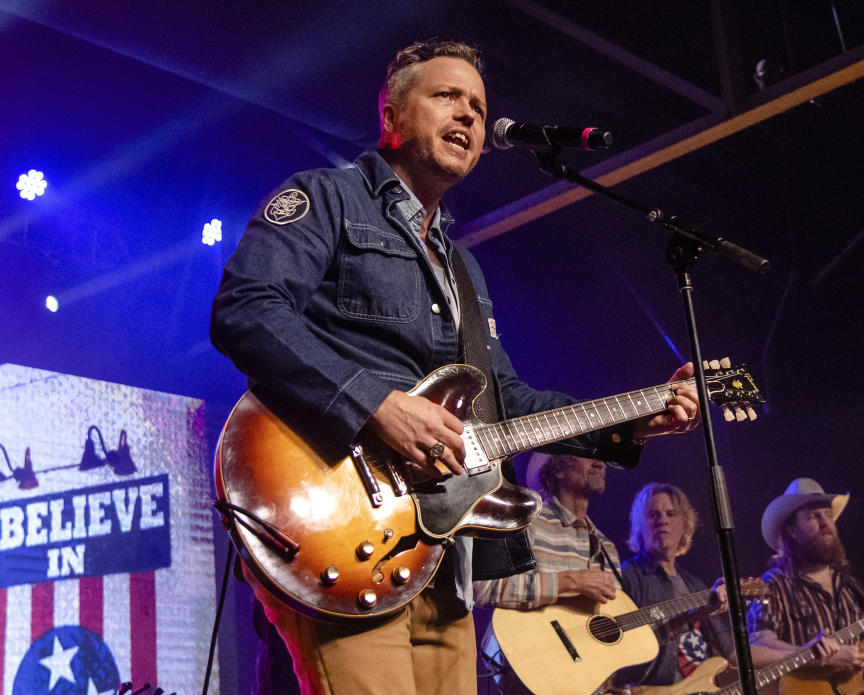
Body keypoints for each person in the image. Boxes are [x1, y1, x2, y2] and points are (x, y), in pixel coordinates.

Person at [210, 39, 701, 695]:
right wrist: (375, 405)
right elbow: (245, 309)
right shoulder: (326, 199)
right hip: (340, 530)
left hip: (443, 556)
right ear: (391, 114)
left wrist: (632, 422)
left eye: (478, 104)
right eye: (447, 96)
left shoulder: (462, 267)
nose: (469, 116)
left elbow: (506, 402)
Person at [473, 453, 622, 693]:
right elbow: (482, 588)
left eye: (601, 456)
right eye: (587, 455)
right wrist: (566, 582)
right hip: (528, 672)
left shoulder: (607, 548)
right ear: (558, 469)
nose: (600, 462)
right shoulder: (527, 524)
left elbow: (612, 624)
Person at [746, 478, 864, 679]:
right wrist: (810, 655)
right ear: (792, 530)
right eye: (814, 516)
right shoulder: (772, 585)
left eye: (829, 515)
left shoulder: (852, 588)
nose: (825, 523)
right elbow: (758, 643)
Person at [616, 482, 735, 687]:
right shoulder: (625, 578)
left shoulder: (695, 584)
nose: (663, 521)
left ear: (685, 524)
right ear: (639, 525)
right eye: (653, 515)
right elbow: (624, 654)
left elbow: (729, 650)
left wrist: (798, 654)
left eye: (671, 514)